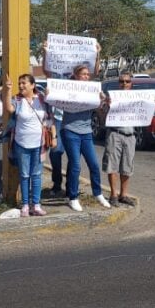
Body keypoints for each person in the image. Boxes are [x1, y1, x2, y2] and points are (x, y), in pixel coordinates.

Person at [3, 74, 53, 216]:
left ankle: (36, 204)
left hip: (39, 144)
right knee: (24, 175)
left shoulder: (42, 99)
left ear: (33, 85)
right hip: (21, 143)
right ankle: (25, 205)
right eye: (19, 83)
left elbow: (51, 116)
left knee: (36, 175)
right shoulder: (17, 100)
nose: (21, 86)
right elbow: (9, 109)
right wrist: (8, 90)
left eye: (24, 83)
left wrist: (53, 136)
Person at [59, 63, 107, 211]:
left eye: (87, 74)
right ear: (76, 75)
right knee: (75, 165)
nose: (86, 76)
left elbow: (99, 110)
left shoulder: (92, 90)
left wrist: (102, 100)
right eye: (83, 74)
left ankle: (97, 193)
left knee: (93, 164)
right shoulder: (68, 89)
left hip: (86, 132)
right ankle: (73, 197)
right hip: (70, 130)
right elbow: (57, 99)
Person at [102, 72, 137, 208]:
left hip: (130, 135)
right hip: (115, 133)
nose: (124, 84)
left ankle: (124, 195)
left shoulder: (137, 98)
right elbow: (102, 115)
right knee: (112, 166)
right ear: (119, 83)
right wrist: (107, 105)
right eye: (122, 81)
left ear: (131, 83)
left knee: (127, 167)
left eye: (127, 81)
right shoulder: (112, 97)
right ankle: (113, 195)